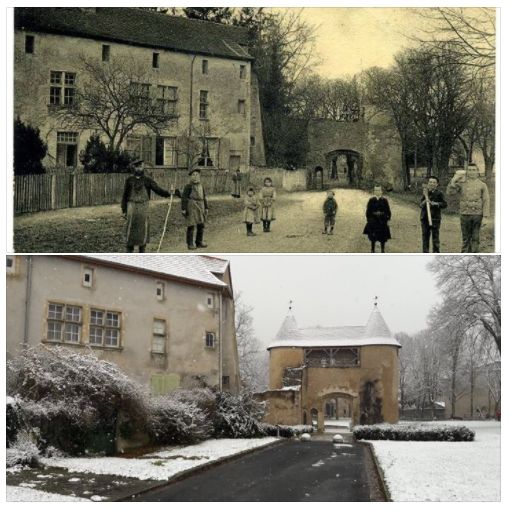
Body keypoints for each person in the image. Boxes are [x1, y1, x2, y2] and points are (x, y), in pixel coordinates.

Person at [121, 159, 171, 253]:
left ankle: (142, 253)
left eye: (140, 166)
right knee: (130, 233)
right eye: (137, 166)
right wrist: (124, 210)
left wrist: (169, 193)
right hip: (131, 209)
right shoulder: (129, 180)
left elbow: (158, 190)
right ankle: (129, 253)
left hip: (144, 209)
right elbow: (125, 196)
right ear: (134, 168)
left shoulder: (148, 180)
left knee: (143, 232)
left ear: (143, 167)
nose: (139, 168)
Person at [446, 163, 490, 252]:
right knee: (465, 238)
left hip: (477, 214)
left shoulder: (482, 185)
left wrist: (485, 217)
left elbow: (486, 200)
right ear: (467, 172)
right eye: (469, 170)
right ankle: (465, 255)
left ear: (477, 172)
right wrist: (454, 179)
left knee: (475, 238)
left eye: (474, 170)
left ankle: (474, 255)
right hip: (464, 213)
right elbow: (450, 192)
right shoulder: (461, 183)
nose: (472, 172)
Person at [181, 169, 208, 250]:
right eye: (193, 175)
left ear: (199, 176)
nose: (195, 176)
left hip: (201, 206)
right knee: (191, 225)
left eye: (197, 174)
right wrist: (184, 208)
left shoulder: (201, 186)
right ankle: (190, 244)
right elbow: (184, 198)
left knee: (201, 225)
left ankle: (199, 242)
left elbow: (204, 197)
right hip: (191, 207)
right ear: (190, 177)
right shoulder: (188, 186)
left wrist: (206, 207)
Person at [420, 176, 448, 253]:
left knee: (435, 237)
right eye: (430, 182)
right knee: (425, 237)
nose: (432, 184)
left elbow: (445, 204)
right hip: (425, 218)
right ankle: (425, 252)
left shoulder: (439, 193)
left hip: (435, 218)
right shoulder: (425, 193)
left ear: (437, 184)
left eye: (434, 182)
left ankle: (436, 252)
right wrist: (425, 201)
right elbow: (420, 205)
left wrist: (435, 204)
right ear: (428, 183)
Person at [363, 185, 391, 253]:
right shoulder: (371, 200)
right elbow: (368, 212)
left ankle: (382, 249)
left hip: (382, 220)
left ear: (381, 192)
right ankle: (372, 249)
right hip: (373, 220)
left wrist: (386, 218)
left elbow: (388, 211)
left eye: (378, 190)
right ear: (374, 192)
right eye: (375, 190)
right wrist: (370, 220)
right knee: (373, 236)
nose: (377, 192)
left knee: (383, 237)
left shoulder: (384, 200)